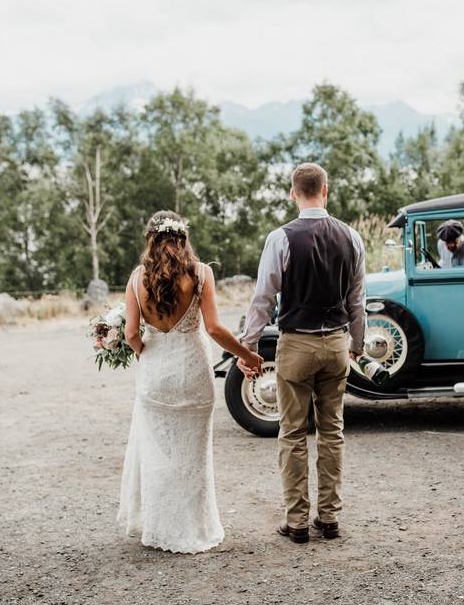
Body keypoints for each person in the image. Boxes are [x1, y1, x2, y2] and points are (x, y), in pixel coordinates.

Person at [117, 210, 263, 553]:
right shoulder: (201, 274)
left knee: (158, 455)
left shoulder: (137, 278)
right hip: (194, 375)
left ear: (150, 240)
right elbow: (213, 328)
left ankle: (158, 528)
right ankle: (194, 528)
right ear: (184, 238)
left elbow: (131, 333)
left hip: (155, 377)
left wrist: (146, 354)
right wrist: (247, 354)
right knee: (193, 457)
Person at [239, 163, 366, 544]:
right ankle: (328, 518)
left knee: (293, 432)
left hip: (296, 344)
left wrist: (247, 346)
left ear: (294, 193)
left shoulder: (280, 238)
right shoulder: (351, 237)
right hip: (337, 345)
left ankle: (296, 522)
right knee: (332, 431)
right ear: (325, 190)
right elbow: (358, 300)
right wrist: (357, 344)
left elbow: (263, 298)